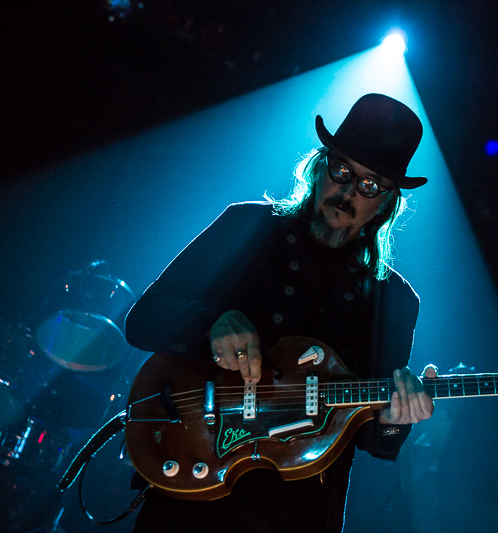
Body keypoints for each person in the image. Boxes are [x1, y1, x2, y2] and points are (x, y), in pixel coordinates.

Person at [124, 93, 435, 532]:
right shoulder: (246, 225)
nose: (347, 193)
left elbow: (374, 441)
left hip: (299, 509)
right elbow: (141, 319)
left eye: (369, 186)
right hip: (195, 477)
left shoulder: (395, 300)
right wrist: (211, 324)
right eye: (341, 170)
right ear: (319, 166)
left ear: (385, 204)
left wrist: (395, 418)